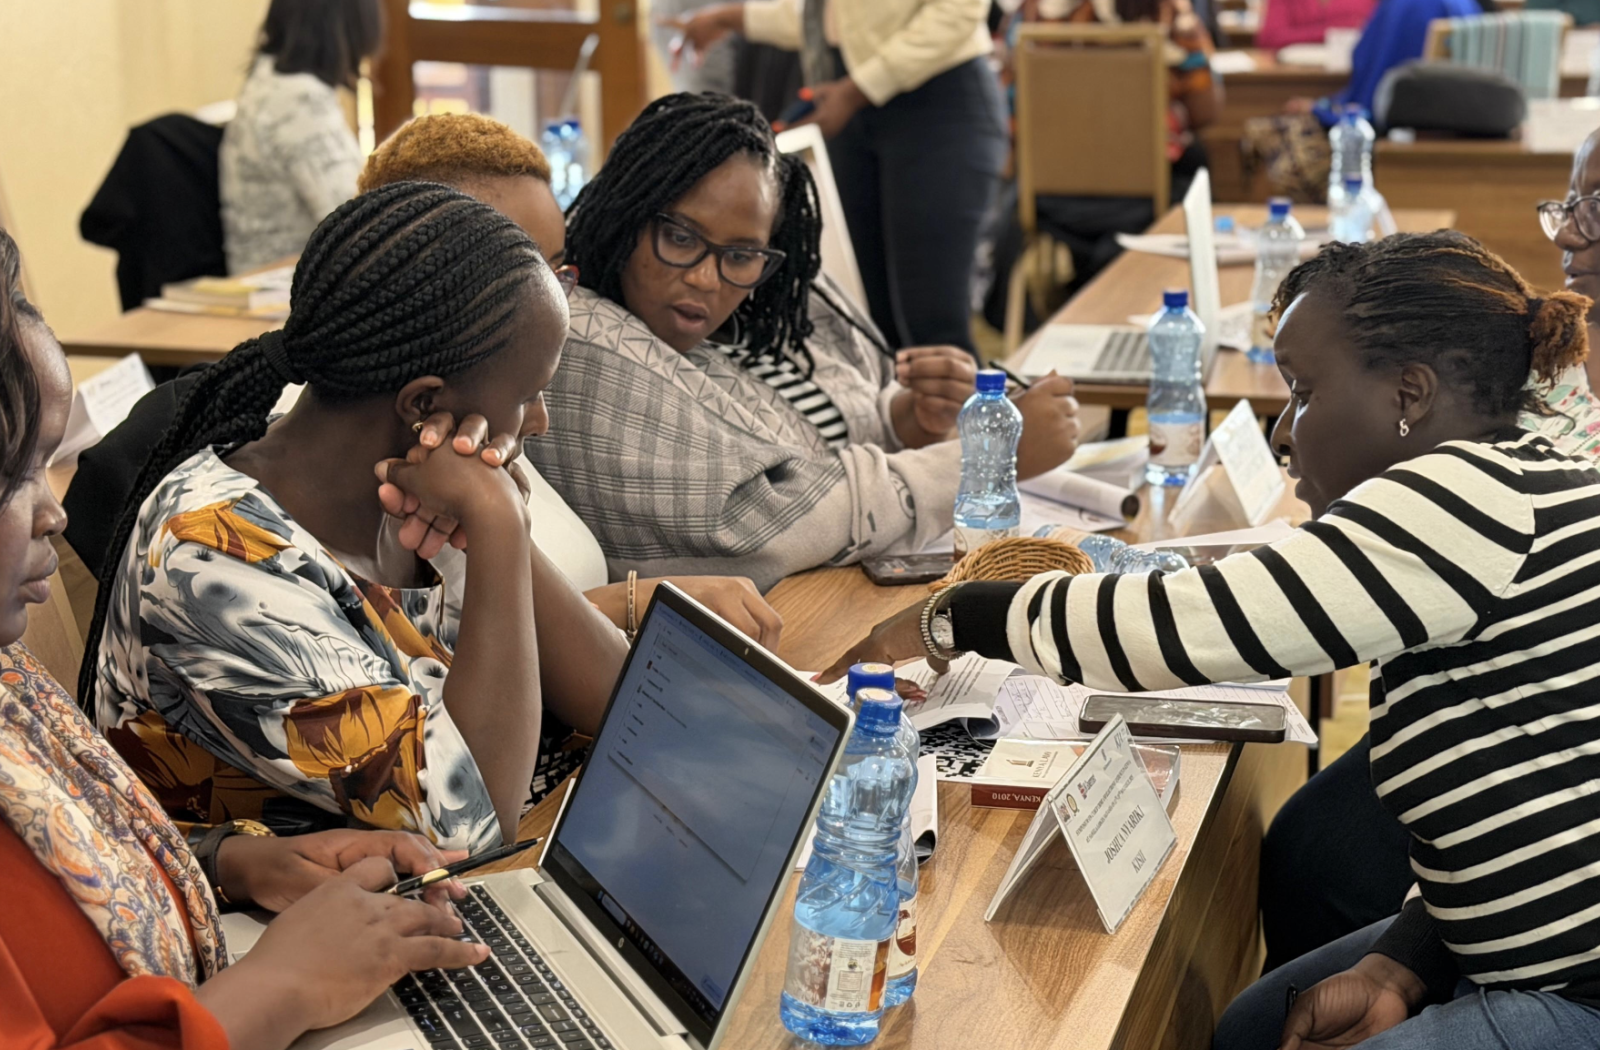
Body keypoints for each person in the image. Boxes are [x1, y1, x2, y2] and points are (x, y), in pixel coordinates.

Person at [824, 232, 1600, 1048]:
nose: (1285, 432)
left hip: (1577, 988)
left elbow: (1191, 628)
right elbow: (1507, 818)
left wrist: (956, 616)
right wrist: (1404, 961)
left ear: (1409, 393)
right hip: (1511, 943)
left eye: (1304, 393)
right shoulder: (1524, 473)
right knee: (1254, 1027)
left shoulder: (1462, 499)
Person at [0, 226, 496, 1050]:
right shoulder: (214, 549)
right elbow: (477, 819)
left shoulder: (9, 680)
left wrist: (227, 861)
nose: (53, 510)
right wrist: (280, 987)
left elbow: (69, 863)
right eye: (17, 474)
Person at [88, 182, 621, 850]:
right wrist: (499, 526)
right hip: (325, 905)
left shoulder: (407, 484)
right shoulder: (213, 558)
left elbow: (615, 701)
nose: (538, 420)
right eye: (529, 394)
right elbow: (474, 825)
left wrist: (497, 526)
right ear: (422, 405)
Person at [1249, 127, 1600, 976]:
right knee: (1307, 849)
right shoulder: (1541, 366)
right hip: (1494, 687)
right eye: (1569, 202)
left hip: (1566, 754)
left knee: (1329, 862)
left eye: (1598, 208)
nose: (1567, 230)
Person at [524, 92, 1081, 590]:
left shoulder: (775, 295)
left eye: (741, 254)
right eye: (680, 237)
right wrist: (988, 459)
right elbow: (763, 528)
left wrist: (906, 417)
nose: (707, 279)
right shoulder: (582, 344)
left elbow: (851, 404)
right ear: (628, 213)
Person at [669, 0, 1006, 355]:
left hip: (938, 105)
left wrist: (855, 89)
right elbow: (838, 17)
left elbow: (960, 10)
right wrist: (727, 18)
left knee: (933, 327)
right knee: (872, 326)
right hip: (856, 108)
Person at [221, 0, 381, 273]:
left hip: (272, 272)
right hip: (289, 279)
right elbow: (357, 223)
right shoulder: (298, 101)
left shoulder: (268, 79)